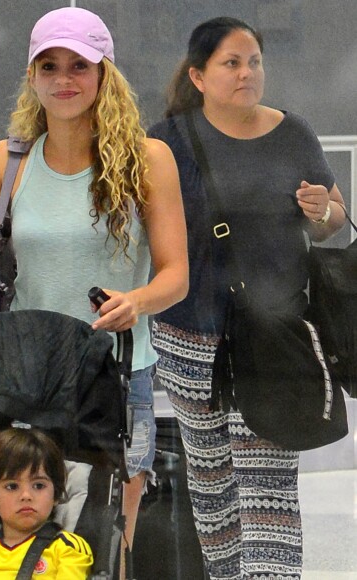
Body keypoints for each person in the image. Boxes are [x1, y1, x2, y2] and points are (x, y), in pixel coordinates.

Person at [0, 6, 189, 573]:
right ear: (32, 77)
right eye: (48, 66)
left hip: (115, 370)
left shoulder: (147, 161)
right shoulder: (8, 161)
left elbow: (176, 274)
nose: (64, 79)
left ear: (104, 74)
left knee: (107, 531)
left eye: (79, 65)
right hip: (22, 373)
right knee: (21, 526)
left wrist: (137, 301)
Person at [148, 16, 347, 580]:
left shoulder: (294, 133)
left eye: (254, 61)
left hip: (271, 330)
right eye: (231, 63)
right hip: (189, 332)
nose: (246, 73)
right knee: (212, 489)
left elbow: (335, 220)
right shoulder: (167, 142)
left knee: (268, 489)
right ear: (199, 75)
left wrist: (321, 212)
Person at [0, 427, 93, 579]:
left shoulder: (67, 547)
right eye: (12, 486)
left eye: (38, 485)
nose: (26, 496)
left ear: (56, 495)